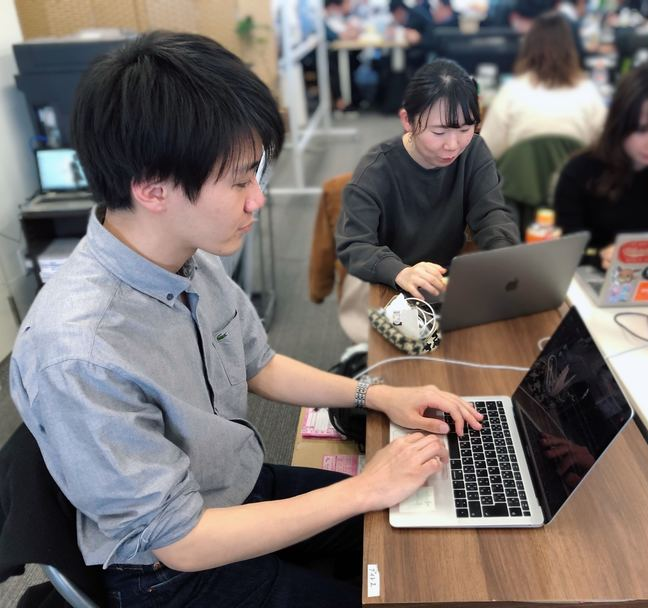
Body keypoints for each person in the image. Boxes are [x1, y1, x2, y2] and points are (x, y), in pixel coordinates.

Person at [9, 32, 486, 608]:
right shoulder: (78, 351)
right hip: (172, 570)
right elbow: (180, 541)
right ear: (153, 188)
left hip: (238, 486)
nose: (257, 199)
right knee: (401, 578)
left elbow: (259, 364)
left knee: (428, 529)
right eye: (238, 181)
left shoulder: (189, 255)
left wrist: (379, 397)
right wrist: (366, 488)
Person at [336, 58, 520, 302]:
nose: (453, 145)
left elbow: (490, 213)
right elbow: (354, 244)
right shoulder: (375, 171)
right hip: (389, 281)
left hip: (445, 278)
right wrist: (400, 271)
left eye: (465, 130)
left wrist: (503, 254)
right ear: (407, 120)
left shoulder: (473, 150)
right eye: (439, 132)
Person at [555, 59, 648, 269]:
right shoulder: (580, 171)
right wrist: (599, 258)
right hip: (590, 279)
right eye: (642, 130)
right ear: (619, 121)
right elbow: (564, 252)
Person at [480, 12, 606, 160]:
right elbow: (605, 149)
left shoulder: (511, 92)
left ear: (528, 46)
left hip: (520, 175)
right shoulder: (588, 93)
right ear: (571, 50)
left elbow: (485, 153)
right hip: (575, 175)